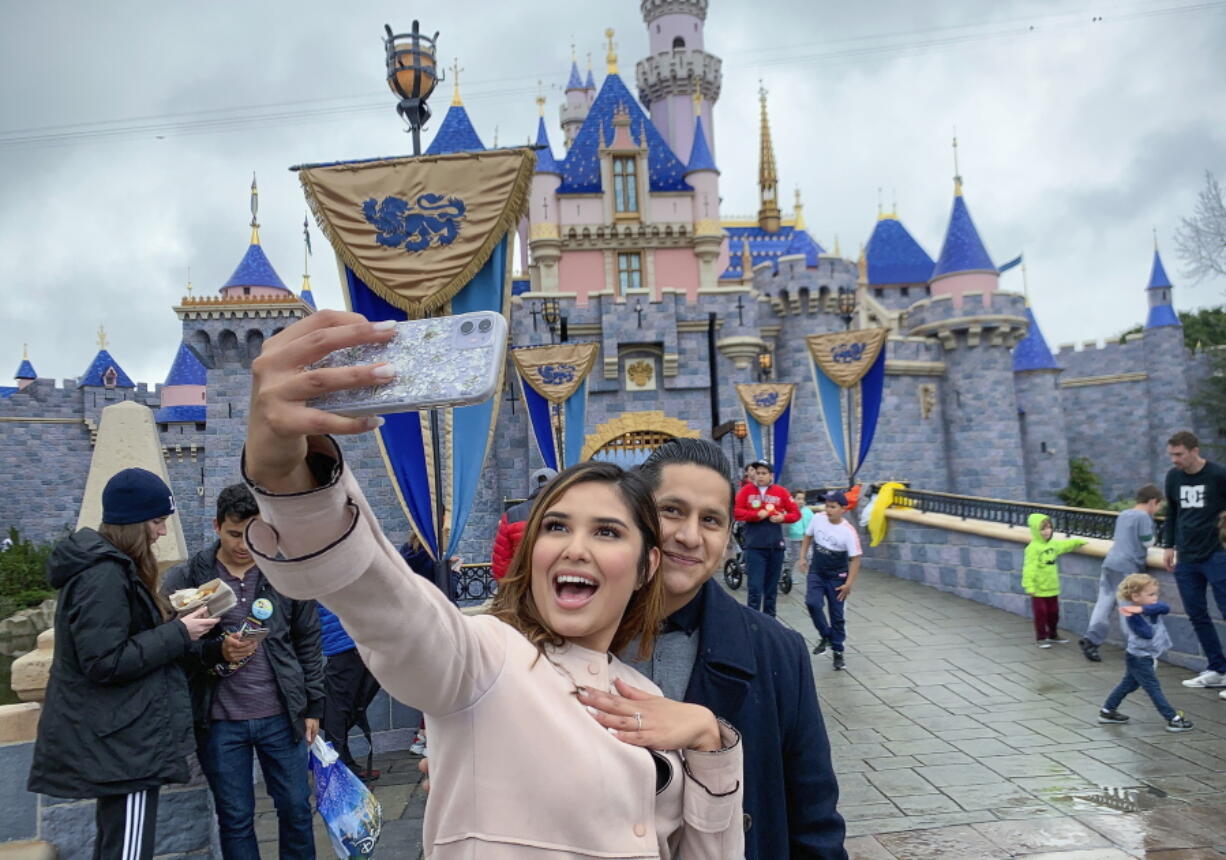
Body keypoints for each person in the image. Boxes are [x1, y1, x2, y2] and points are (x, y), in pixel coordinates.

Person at [241, 310, 744, 858]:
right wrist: (289, 474)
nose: (576, 547)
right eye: (556, 526)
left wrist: (709, 739)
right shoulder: (485, 659)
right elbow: (379, 596)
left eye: (606, 531)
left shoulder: (646, 695)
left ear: (647, 565)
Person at [631, 439, 847, 859]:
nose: (689, 535)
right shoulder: (568, 640)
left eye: (710, 520)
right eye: (671, 510)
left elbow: (814, 820)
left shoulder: (777, 652)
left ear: (728, 536)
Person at [28, 468, 219, 860]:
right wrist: (180, 632)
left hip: (122, 739)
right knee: (128, 851)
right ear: (133, 523)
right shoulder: (103, 576)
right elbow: (104, 661)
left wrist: (174, 623)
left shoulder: (108, 569)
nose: (162, 533)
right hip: (124, 746)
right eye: (157, 522)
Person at [164, 483, 324, 860]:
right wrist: (216, 649)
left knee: (297, 810)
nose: (242, 544)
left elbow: (308, 641)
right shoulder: (187, 578)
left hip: (281, 715)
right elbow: (172, 649)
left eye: (251, 535)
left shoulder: (286, 572)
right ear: (217, 526)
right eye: (234, 534)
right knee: (235, 818)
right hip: (219, 720)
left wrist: (314, 704)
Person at [1161, 430, 1226, 689]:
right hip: (1186, 558)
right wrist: (1168, 546)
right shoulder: (1173, 477)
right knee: (1196, 614)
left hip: (1216, 554)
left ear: (1194, 451)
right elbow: (1172, 513)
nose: (1175, 460)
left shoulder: (1218, 475)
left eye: (1179, 454)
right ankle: (1217, 669)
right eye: (1171, 455)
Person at [1098, 573, 1194, 732]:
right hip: (1139, 658)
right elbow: (1147, 633)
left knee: (1127, 685)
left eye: (1155, 593)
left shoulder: (1148, 608)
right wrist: (1137, 613)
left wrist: (1142, 609)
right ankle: (1173, 718)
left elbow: (1165, 607)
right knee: (1153, 688)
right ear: (1135, 596)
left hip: (1143, 655)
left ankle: (1107, 711)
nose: (1155, 597)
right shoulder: (1132, 617)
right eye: (1150, 594)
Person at [1079, 484, 1164, 662]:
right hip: (1128, 567)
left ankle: (1091, 640)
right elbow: (1148, 542)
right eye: (1158, 506)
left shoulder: (1124, 514)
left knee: (1104, 602)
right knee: (1127, 608)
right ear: (1153, 502)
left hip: (1110, 563)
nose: (1157, 510)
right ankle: (1135, 648)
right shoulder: (1144, 517)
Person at [796, 490, 862, 670]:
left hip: (837, 577)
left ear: (843, 509)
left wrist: (848, 584)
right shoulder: (818, 518)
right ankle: (825, 635)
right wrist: (802, 558)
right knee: (812, 603)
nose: (828, 510)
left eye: (833, 507)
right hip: (817, 572)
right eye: (827, 506)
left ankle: (838, 652)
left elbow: (856, 558)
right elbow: (808, 536)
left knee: (837, 616)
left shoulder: (848, 531)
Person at [319, 604, 382, 780]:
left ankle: (342, 761)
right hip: (345, 640)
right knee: (339, 708)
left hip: (356, 639)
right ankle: (339, 767)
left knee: (351, 704)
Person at [733, 460, 800, 616]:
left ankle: (771, 623)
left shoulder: (781, 492)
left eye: (764, 473)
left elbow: (796, 514)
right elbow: (736, 512)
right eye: (757, 473)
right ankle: (753, 622)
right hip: (754, 547)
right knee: (755, 588)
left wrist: (783, 518)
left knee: (771, 590)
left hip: (775, 547)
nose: (760, 476)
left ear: (771, 476)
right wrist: (756, 515)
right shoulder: (746, 491)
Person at [1021, 514, 1087, 647]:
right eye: (1043, 529)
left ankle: (1053, 634)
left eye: (1049, 527)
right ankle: (1041, 637)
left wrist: (1077, 542)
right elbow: (1029, 568)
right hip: (1039, 589)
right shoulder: (1033, 548)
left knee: (1053, 613)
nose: (1047, 531)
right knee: (1041, 613)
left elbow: (1064, 546)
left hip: (1052, 587)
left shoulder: (1053, 544)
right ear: (1035, 530)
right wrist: (1029, 586)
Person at [490, 466, 557, 580]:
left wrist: (507, 589)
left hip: (524, 584)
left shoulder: (512, 515)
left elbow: (501, 562)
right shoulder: (569, 510)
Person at [785, 488, 814, 570]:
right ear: (792, 499)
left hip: (806, 538)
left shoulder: (807, 511)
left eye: (803, 499)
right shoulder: (789, 511)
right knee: (794, 557)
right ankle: (789, 575)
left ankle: (809, 574)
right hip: (794, 538)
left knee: (809, 556)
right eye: (798, 499)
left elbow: (812, 523)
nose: (801, 501)